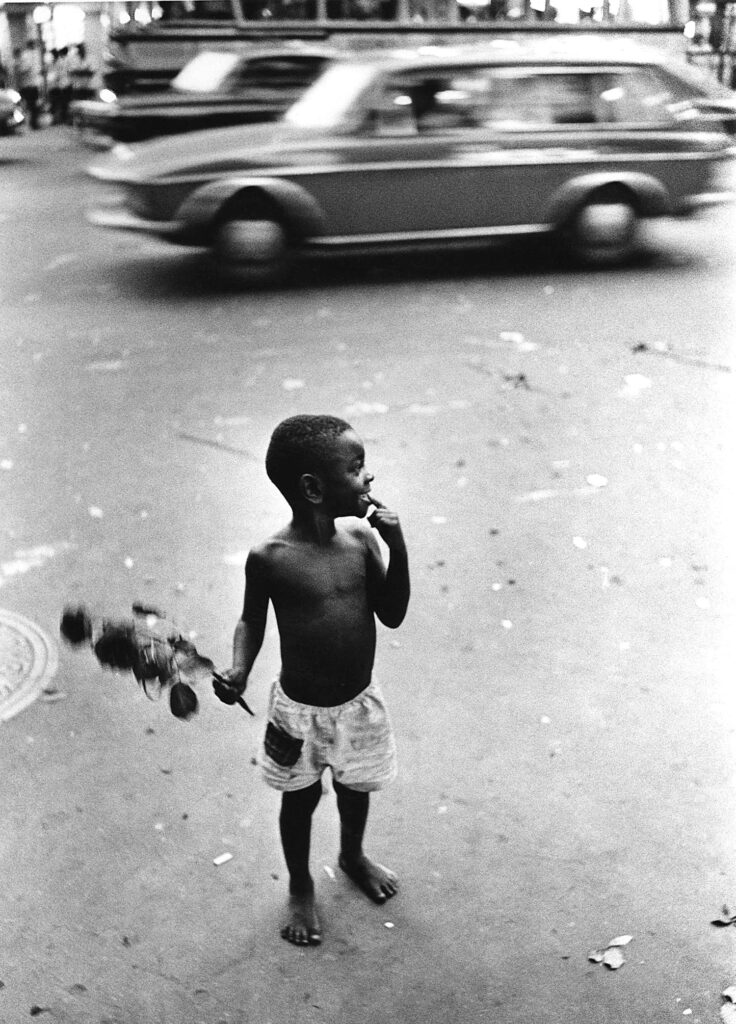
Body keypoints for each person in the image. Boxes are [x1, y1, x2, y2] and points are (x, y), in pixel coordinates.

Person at [213, 414, 410, 947]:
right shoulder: (271, 558)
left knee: (355, 788)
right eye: (356, 467)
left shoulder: (362, 541)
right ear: (313, 488)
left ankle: (351, 854)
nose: (368, 477)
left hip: (358, 705)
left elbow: (392, 613)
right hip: (297, 712)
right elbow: (252, 620)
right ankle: (301, 883)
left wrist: (398, 545)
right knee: (299, 800)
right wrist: (238, 669)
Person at [17, 40, 43, 130]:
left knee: (34, 104)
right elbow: (23, 69)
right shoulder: (26, 55)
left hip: (33, 83)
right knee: (30, 104)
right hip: (27, 85)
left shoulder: (34, 55)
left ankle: (34, 122)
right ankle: (31, 123)